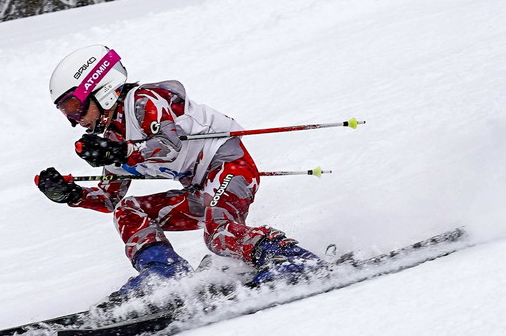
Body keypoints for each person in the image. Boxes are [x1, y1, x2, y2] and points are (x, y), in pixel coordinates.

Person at [35, 44, 323, 297]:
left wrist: (121, 152)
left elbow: (167, 145)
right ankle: (164, 273)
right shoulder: (109, 138)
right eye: (65, 112)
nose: (74, 120)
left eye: (74, 107)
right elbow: (110, 198)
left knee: (218, 233)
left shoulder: (144, 101)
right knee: (128, 210)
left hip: (229, 168)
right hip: (199, 189)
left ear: (102, 89)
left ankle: (287, 258)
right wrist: (71, 194)